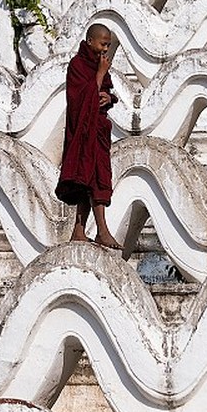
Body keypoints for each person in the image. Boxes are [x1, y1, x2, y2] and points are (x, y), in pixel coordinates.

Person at [56, 22, 121, 249]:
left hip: (97, 130)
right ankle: (102, 230)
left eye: (109, 45)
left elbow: (104, 93)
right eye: (103, 44)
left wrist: (109, 98)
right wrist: (101, 74)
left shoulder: (98, 64)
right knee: (87, 178)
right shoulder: (78, 64)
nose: (105, 49)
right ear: (90, 41)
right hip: (82, 131)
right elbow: (79, 98)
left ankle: (79, 230)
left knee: (94, 178)